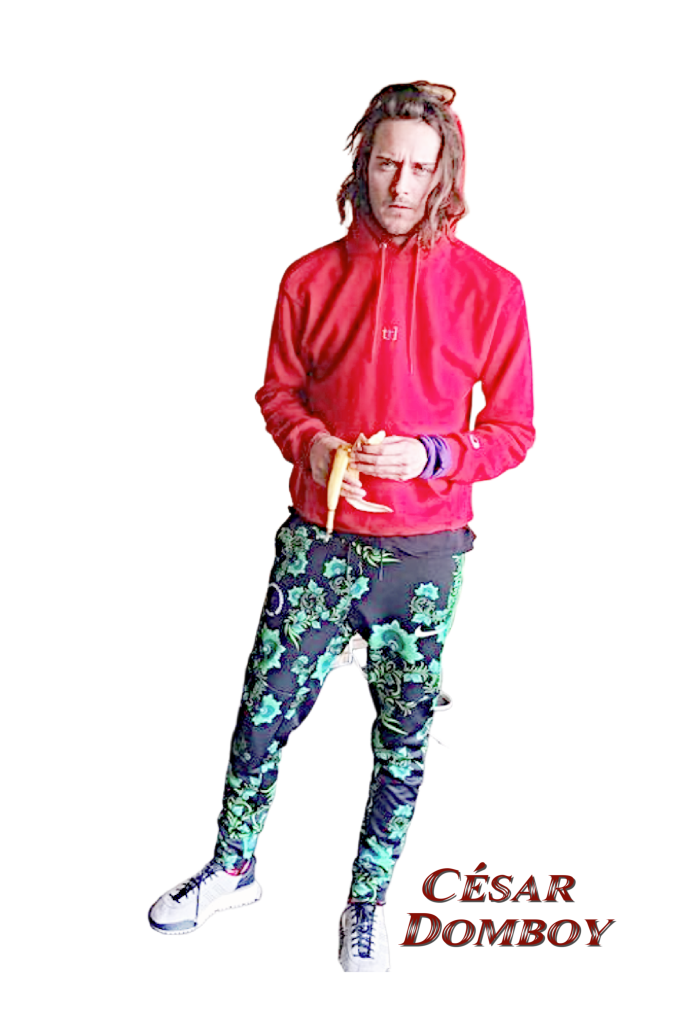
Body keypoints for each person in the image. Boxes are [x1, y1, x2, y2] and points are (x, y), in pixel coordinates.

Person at [148, 81, 536, 973]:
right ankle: (233, 863)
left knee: (403, 738)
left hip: (426, 555)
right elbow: (275, 392)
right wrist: (314, 443)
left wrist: (435, 455)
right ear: (362, 163)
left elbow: (515, 433)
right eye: (387, 163)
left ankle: (367, 902)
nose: (401, 184)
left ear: (446, 174)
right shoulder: (306, 275)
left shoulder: (494, 288)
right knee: (262, 713)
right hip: (317, 543)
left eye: (420, 167)